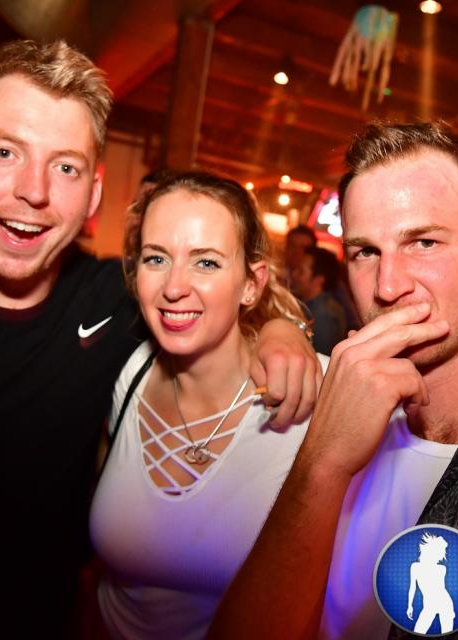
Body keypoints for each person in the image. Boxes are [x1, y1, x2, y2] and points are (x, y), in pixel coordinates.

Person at [210, 123, 458, 640]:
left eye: (423, 242)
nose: (388, 286)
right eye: (365, 252)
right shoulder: (320, 403)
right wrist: (323, 461)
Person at [0, 39, 320, 639]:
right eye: (4, 152)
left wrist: (282, 330)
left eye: (65, 167)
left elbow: (205, 302)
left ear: (93, 195)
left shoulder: (115, 303)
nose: (34, 190)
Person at [90, 171, 329, 639]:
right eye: (157, 258)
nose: (174, 286)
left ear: (251, 284)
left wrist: (287, 328)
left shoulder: (310, 395)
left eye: (206, 262)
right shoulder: (128, 372)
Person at [290, 246, 347, 354]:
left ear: (318, 280)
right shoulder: (310, 306)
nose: (294, 274)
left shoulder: (323, 315)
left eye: (301, 271)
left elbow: (321, 357)